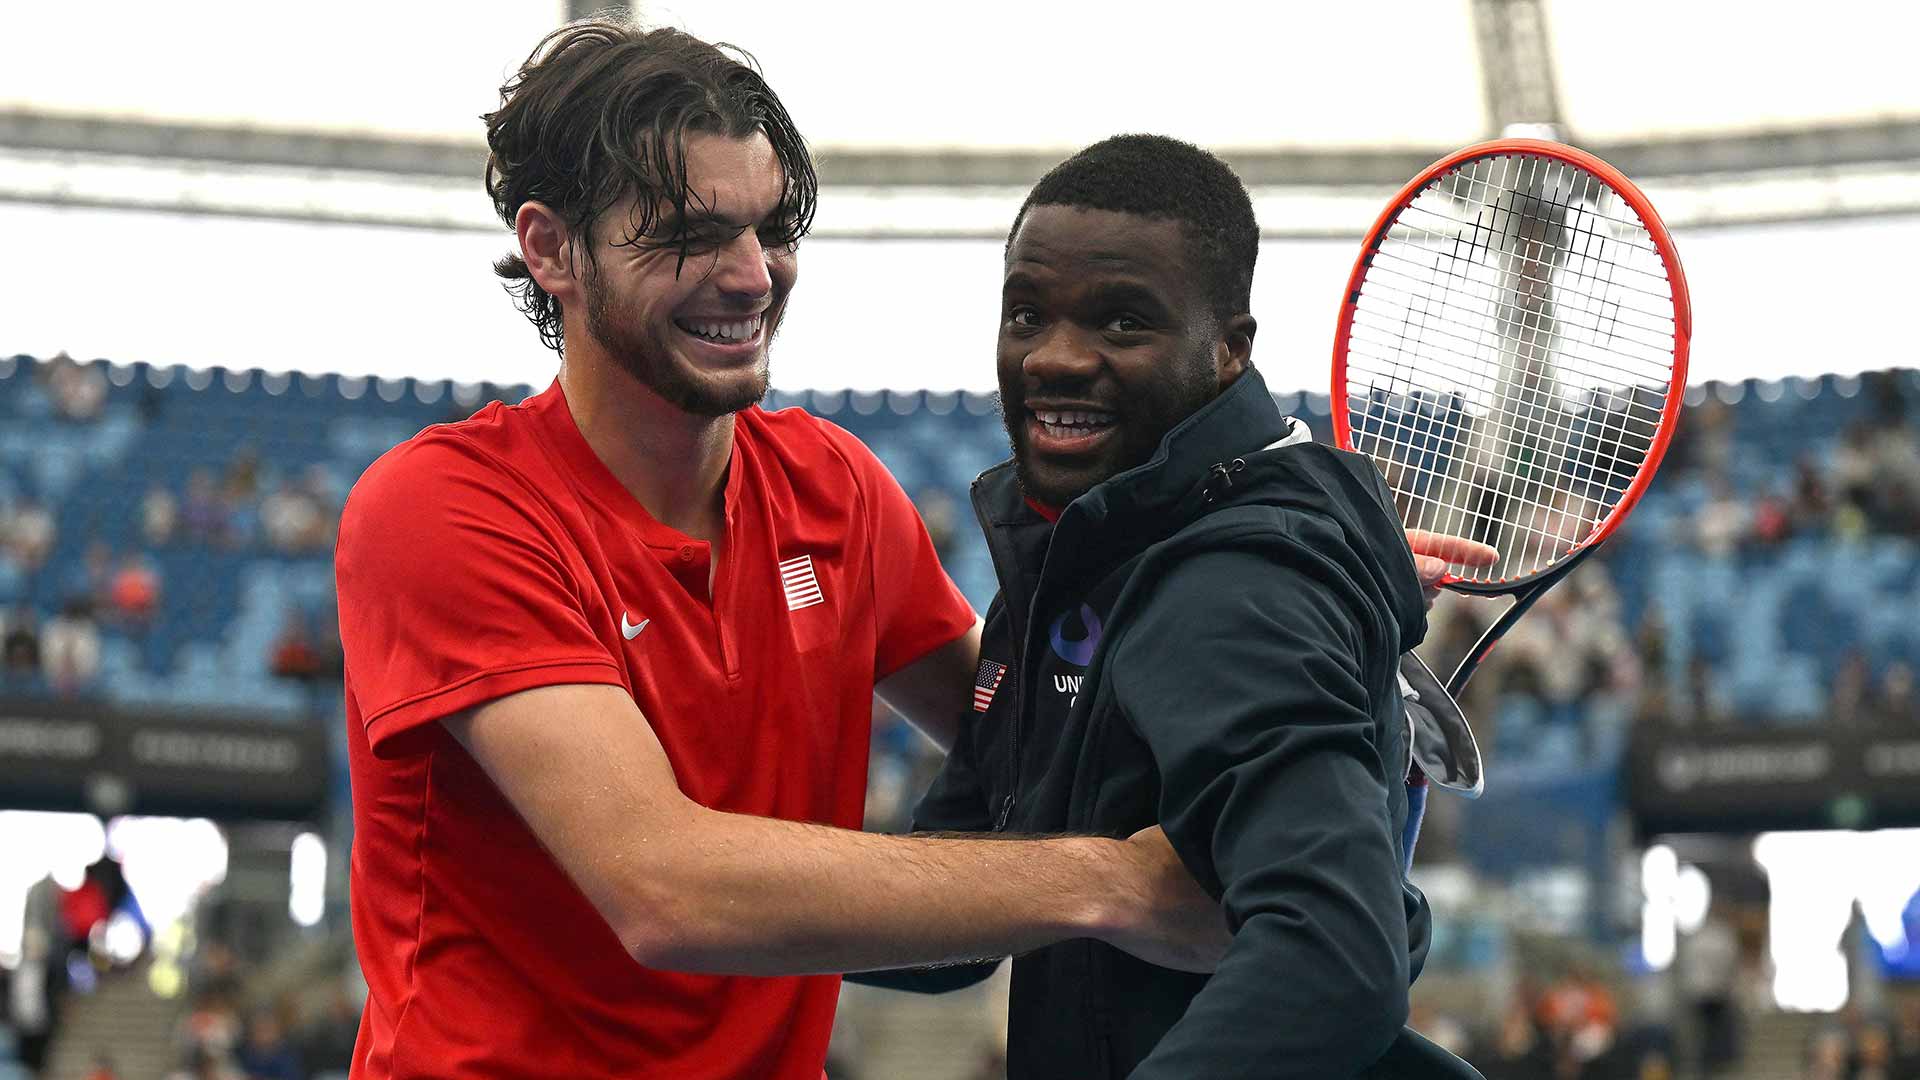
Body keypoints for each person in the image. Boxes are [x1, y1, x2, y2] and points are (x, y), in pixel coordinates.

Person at [333, 20, 1223, 1080]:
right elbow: (664, 889)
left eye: (770, 227)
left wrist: (1277, 581)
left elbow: (1049, 735)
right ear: (551, 248)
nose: (754, 275)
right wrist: (1114, 885)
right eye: (690, 234)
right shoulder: (445, 506)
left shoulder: (833, 487)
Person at [883, 135, 1497, 1077]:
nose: (1054, 358)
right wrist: (700, 898)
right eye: (1026, 313)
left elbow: (1336, 956)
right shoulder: (1074, 558)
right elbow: (963, 901)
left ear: (1229, 351)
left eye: (1122, 323)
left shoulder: (1233, 588)